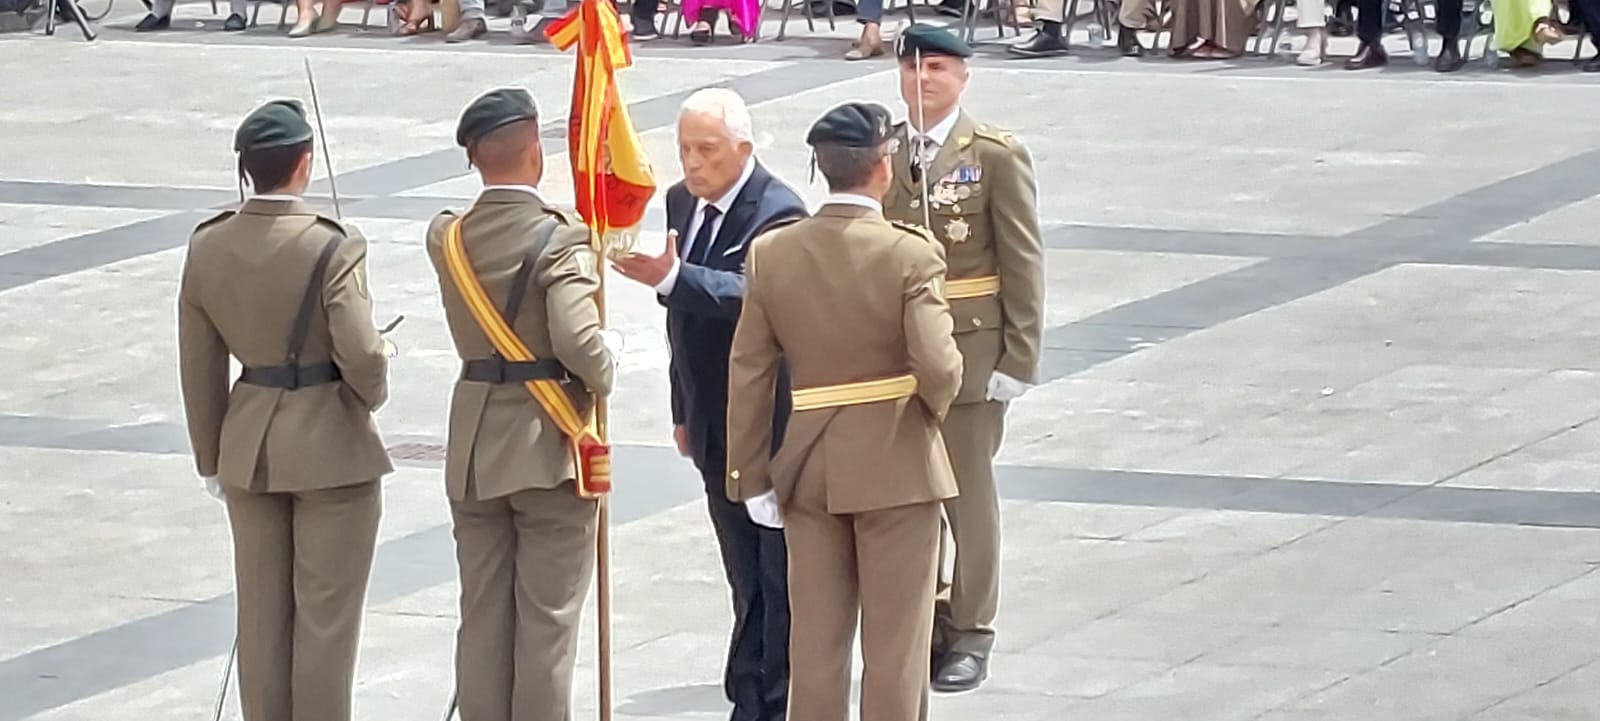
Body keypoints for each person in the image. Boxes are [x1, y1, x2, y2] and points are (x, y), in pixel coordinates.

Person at [724, 100, 963, 721]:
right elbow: (939, 366)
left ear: (820, 168)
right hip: (897, 462)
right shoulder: (911, 253)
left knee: (815, 645)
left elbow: (749, 371)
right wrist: (926, 416)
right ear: (883, 167)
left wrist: (749, 475)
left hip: (808, 467)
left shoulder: (772, 254)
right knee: (895, 649)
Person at [177, 99, 393, 721]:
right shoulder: (332, 245)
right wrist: (377, 381)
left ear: (248, 169)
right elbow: (360, 354)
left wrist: (210, 455)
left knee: (262, 618)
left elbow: (199, 362)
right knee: (325, 624)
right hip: (329, 446)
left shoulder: (208, 244)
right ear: (304, 163)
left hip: (249, 445)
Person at [611, 87, 806, 721]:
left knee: (778, 576)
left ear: (744, 149)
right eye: (686, 150)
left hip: (765, 425)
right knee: (742, 573)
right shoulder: (680, 204)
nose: (694, 165)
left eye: (708, 151)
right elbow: (682, 331)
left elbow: (754, 293)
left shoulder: (779, 212)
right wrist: (679, 409)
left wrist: (672, 279)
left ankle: (771, 700)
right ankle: (747, 693)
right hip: (710, 419)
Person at [423, 87, 617, 721]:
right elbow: (576, 342)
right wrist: (606, 359)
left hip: (475, 448)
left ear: (475, 158)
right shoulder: (560, 239)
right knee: (547, 625)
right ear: (536, 150)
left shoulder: (446, 237)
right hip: (546, 447)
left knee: (482, 619)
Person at [883, 24, 1045, 694]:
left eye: (940, 68)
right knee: (909, 497)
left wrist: (1020, 356)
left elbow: (1022, 258)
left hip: (971, 351)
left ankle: (973, 630)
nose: (924, 80)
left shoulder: (993, 154)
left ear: (964, 77)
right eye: (915, 67)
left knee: (967, 499)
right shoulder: (883, 149)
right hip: (896, 354)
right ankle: (928, 619)